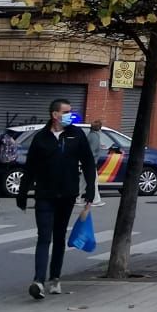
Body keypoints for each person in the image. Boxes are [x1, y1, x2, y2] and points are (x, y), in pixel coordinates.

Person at [17, 98, 96, 300]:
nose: (72, 115)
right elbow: (30, 167)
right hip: (45, 194)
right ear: (55, 115)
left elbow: (88, 162)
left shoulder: (76, 135)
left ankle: (55, 278)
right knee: (44, 237)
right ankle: (38, 281)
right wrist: (23, 193)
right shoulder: (41, 138)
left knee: (59, 237)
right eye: (67, 112)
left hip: (67, 195)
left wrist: (90, 190)